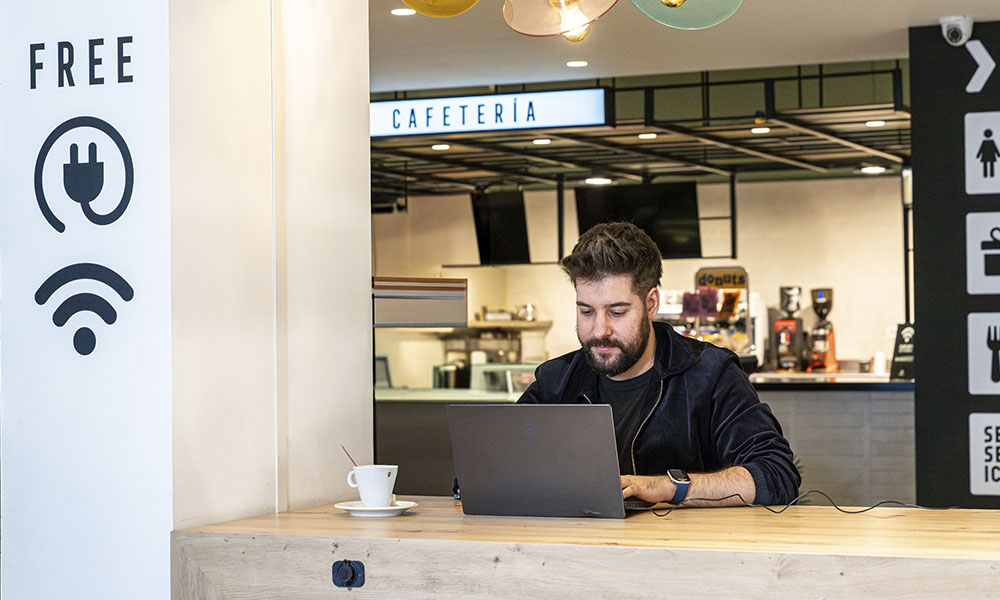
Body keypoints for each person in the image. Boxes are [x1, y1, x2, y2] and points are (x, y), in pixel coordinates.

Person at [517, 222, 800, 507]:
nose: (599, 329)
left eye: (617, 312)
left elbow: (775, 476)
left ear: (651, 303)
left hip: (687, 548)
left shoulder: (711, 374)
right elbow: (503, 465)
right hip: (575, 548)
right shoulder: (556, 381)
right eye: (586, 311)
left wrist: (669, 487)